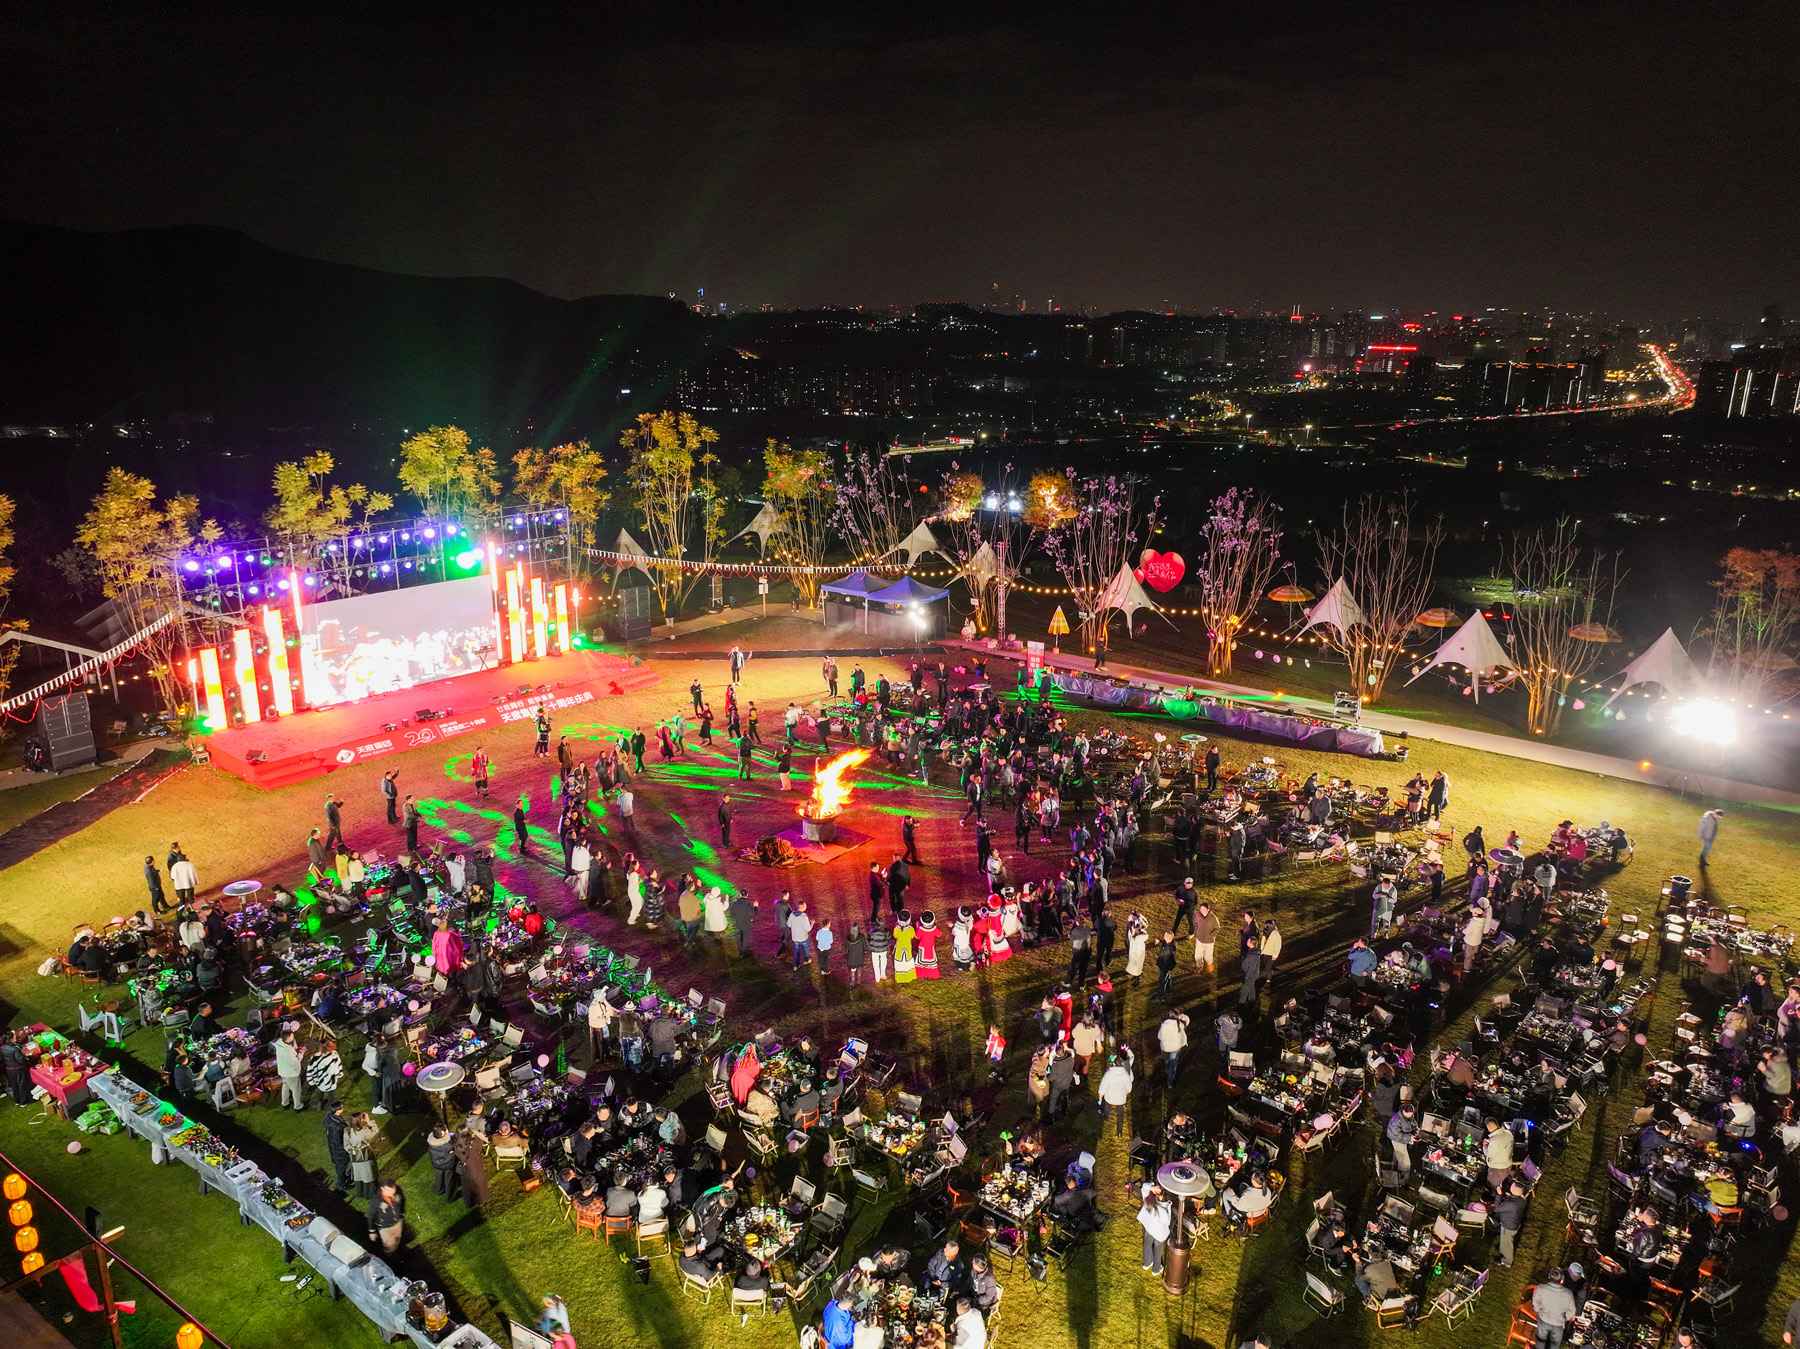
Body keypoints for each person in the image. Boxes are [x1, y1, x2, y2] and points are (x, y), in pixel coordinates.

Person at [1532, 1269, 1577, 1349]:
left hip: (1543, 1319)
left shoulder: (1541, 1288)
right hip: (1558, 1323)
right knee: (1554, 1344)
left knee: (1540, 1340)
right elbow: (1572, 1311)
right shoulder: (1568, 1294)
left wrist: (1538, 1311)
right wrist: (1565, 1318)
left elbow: (1535, 1302)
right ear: (1562, 1280)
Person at [1137, 1183, 1173, 1274]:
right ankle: (1156, 1269)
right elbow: (1167, 1221)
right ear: (1160, 1197)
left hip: (1148, 1228)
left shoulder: (1146, 1199)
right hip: (1159, 1234)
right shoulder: (1161, 1210)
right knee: (1158, 1250)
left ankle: (1147, 1263)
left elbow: (1144, 1187)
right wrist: (1168, 1206)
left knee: (1147, 1244)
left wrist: (1151, 1187)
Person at [1492, 1180, 1527, 1267]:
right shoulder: (1522, 1200)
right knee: (1506, 1241)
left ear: (1513, 1190)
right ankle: (1502, 1249)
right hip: (1514, 1223)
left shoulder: (1511, 1204)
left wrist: (1499, 1195)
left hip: (1508, 1226)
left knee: (1507, 1244)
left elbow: (1498, 1208)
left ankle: (1506, 1261)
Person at [1097, 1053, 1134, 1136]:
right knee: (1120, 1114)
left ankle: (1105, 1117)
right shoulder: (1125, 1074)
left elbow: (1103, 1086)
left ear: (1114, 1064)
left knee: (1107, 1107)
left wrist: (1100, 1095)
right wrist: (1125, 1093)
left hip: (1110, 1098)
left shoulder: (1108, 1074)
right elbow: (1129, 1088)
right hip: (1121, 1099)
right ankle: (1119, 1131)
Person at [368, 1180, 406, 1254]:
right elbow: (371, 1216)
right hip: (385, 1228)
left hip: (397, 1222)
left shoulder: (397, 1192)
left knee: (398, 1239)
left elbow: (402, 1201)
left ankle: (397, 1250)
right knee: (389, 1245)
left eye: (393, 1192)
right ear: (382, 1189)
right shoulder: (376, 1201)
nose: (392, 1195)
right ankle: (389, 1254)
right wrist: (372, 1231)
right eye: (389, 1192)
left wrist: (401, 1214)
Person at [1158, 1010, 1189, 1088]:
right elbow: (1187, 1021)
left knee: (1167, 1061)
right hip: (1175, 1048)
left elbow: (1160, 1036)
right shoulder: (1179, 1025)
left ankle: (1168, 1071)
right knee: (1173, 1064)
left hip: (1165, 1047)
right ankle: (1170, 1081)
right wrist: (1183, 1016)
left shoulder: (1164, 1025)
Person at [1386, 1102, 1418, 1176]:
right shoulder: (1396, 1120)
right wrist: (1410, 1138)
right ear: (1404, 1111)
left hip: (1403, 1138)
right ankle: (1402, 1177)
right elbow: (1397, 1135)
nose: (1411, 1116)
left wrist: (1416, 1132)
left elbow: (1414, 1124)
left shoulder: (1409, 1116)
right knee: (1405, 1163)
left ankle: (1394, 1170)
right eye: (1410, 1114)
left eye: (1412, 1114)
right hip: (1397, 1140)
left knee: (1397, 1156)